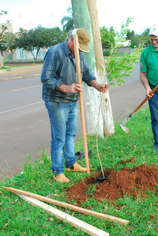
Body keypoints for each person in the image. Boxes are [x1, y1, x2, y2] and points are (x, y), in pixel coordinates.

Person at [40, 28, 108, 183]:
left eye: (81, 49)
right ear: (71, 39)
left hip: (71, 101)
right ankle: (58, 171)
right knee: (59, 138)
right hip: (57, 101)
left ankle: (70, 163)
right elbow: (46, 77)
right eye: (78, 47)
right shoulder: (55, 52)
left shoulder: (78, 54)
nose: (79, 51)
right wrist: (66, 87)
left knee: (70, 133)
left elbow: (86, 74)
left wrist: (97, 85)